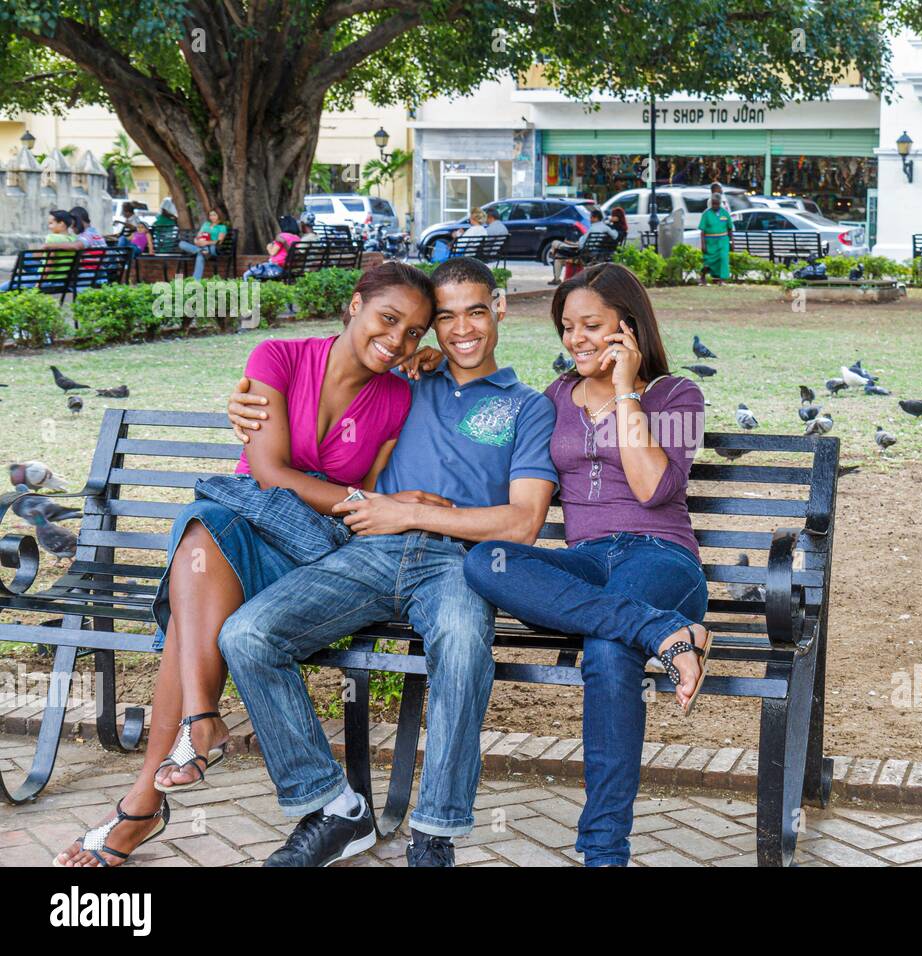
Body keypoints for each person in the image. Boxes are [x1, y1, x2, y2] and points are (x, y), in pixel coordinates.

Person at [54, 262, 436, 868]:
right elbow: (269, 474)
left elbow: (358, 489)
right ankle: (191, 736)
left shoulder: (397, 394)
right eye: (388, 319)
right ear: (355, 303)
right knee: (204, 539)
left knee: (193, 594)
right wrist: (364, 501)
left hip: (307, 547)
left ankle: (148, 797)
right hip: (246, 517)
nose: (397, 340)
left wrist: (371, 497)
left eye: (415, 332)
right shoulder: (278, 357)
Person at [218, 257, 558, 868]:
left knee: (460, 643)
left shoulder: (528, 408)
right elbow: (313, 395)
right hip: (367, 550)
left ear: (500, 309)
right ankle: (332, 806)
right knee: (247, 634)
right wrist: (239, 403)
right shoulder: (401, 381)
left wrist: (411, 515)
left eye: (476, 311)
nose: (461, 330)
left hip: (459, 563)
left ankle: (433, 834)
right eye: (445, 319)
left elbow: (521, 522)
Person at [463, 262, 710, 867]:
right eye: (568, 327)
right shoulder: (554, 397)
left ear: (628, 327)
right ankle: (660, 632)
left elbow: (654, 489)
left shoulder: (677, 395)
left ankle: (603, 853)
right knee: (485, 562)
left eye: (592, 326)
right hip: (584, 561)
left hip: (661, 556)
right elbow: (489, 441)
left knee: (604, 651)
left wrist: (627, 390)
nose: (576, 339)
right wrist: (430, 371)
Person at [549, 207, 617, 285]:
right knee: (558, 255)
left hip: (583, 254)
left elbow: (581, 245)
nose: (590, 219)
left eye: (591, 217)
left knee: (555, 244)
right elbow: (615, 236)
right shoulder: (606, 228)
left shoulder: (592, 229)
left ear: (595, 218)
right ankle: (553, 255)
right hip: (593, 252)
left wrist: (572, 243)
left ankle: (553, 258)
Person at [242, 215, 300, 280]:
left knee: (246, 275)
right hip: (288, 268)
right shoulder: (297, 238)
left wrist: (268, 246)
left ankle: (245, 290)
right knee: (258, 275)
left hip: (275, 267)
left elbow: (272, 252)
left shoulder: (282, 237)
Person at [177, 209, 229, 280]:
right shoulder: (206, 224)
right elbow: (198, 236)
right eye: (211, 215)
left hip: (212, 247)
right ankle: (202, 251)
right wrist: (196, 241)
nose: (212, 217)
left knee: (200, 255)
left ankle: (195, 282)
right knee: (181, 243)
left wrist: (207, 242)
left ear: (219, 215)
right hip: (202, 246)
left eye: (214, 215)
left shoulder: (222, 227)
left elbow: (219, 241)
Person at [698, 190, 733, 284]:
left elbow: (730, 229)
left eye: (717, 204)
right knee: (709, 261)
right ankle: (702, 277)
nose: (715, 206)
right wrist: (703, 244)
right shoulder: (706, 214)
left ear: (720, 203)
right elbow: (702, 231)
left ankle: (721, 280)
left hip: (723, 240)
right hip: (710, 241)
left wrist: (731, 242)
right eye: (713, 204)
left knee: (723, 258)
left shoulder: (725, 213)